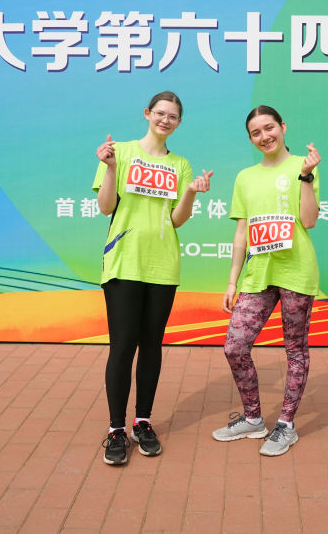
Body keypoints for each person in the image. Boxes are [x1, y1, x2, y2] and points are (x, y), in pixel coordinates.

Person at [93, 91, 212, 465]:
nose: (165, 120)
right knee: (122, 347)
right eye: (160, 113)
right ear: (147, 113)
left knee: (151, 345)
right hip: (123, 262)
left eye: (173, 116)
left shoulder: (180, 165)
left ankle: (142, 422)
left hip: (163, 266)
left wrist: (190, 192)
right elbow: (106, 206)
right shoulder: (121, 152)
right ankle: (116, 429)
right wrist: (110, 168)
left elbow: (177, 219)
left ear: (179, 123)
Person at [212, 105, 321, 457]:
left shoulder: (303, 166)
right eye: (256, 133)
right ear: (250, 139)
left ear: (283, 127)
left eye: (269, 128)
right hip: (258, 274)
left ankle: (286, 425)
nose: (264, 136)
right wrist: (232, 282)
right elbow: (241, 232)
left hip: (296, 271)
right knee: (235, 346)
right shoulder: (245, 177)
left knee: (295, 349)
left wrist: (306, 178)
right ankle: (253, 418)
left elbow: (309, 220)